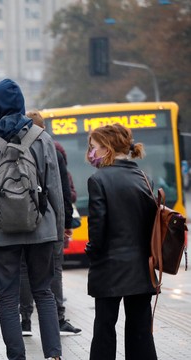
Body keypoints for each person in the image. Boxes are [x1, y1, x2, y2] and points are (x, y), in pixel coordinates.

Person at [0, 79, 64, 360]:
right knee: (44, 292)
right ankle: (54, 355)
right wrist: (57, 237)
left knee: (8, 298)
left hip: (1, 232)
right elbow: (56, 192)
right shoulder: (42, 138)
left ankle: (16, 356)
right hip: (41, 228)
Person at [85, 124, 157, 360]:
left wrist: (91, 252)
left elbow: (97, 229)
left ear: (106, 149)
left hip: (109, 266)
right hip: (141, 267)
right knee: (140, 331)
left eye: (93, 147)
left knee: (105, 328)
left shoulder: (98, 179)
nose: (91, 152)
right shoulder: (144, 178)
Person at [19, 111, 81, 337]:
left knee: (24, 269)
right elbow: (63, 190)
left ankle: (25, 320)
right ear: (43, 128)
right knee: (54, 269)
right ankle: (58, 318)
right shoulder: (53, 149)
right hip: (49, 220)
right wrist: (65, 222)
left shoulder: (15, 146)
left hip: (22, 218)